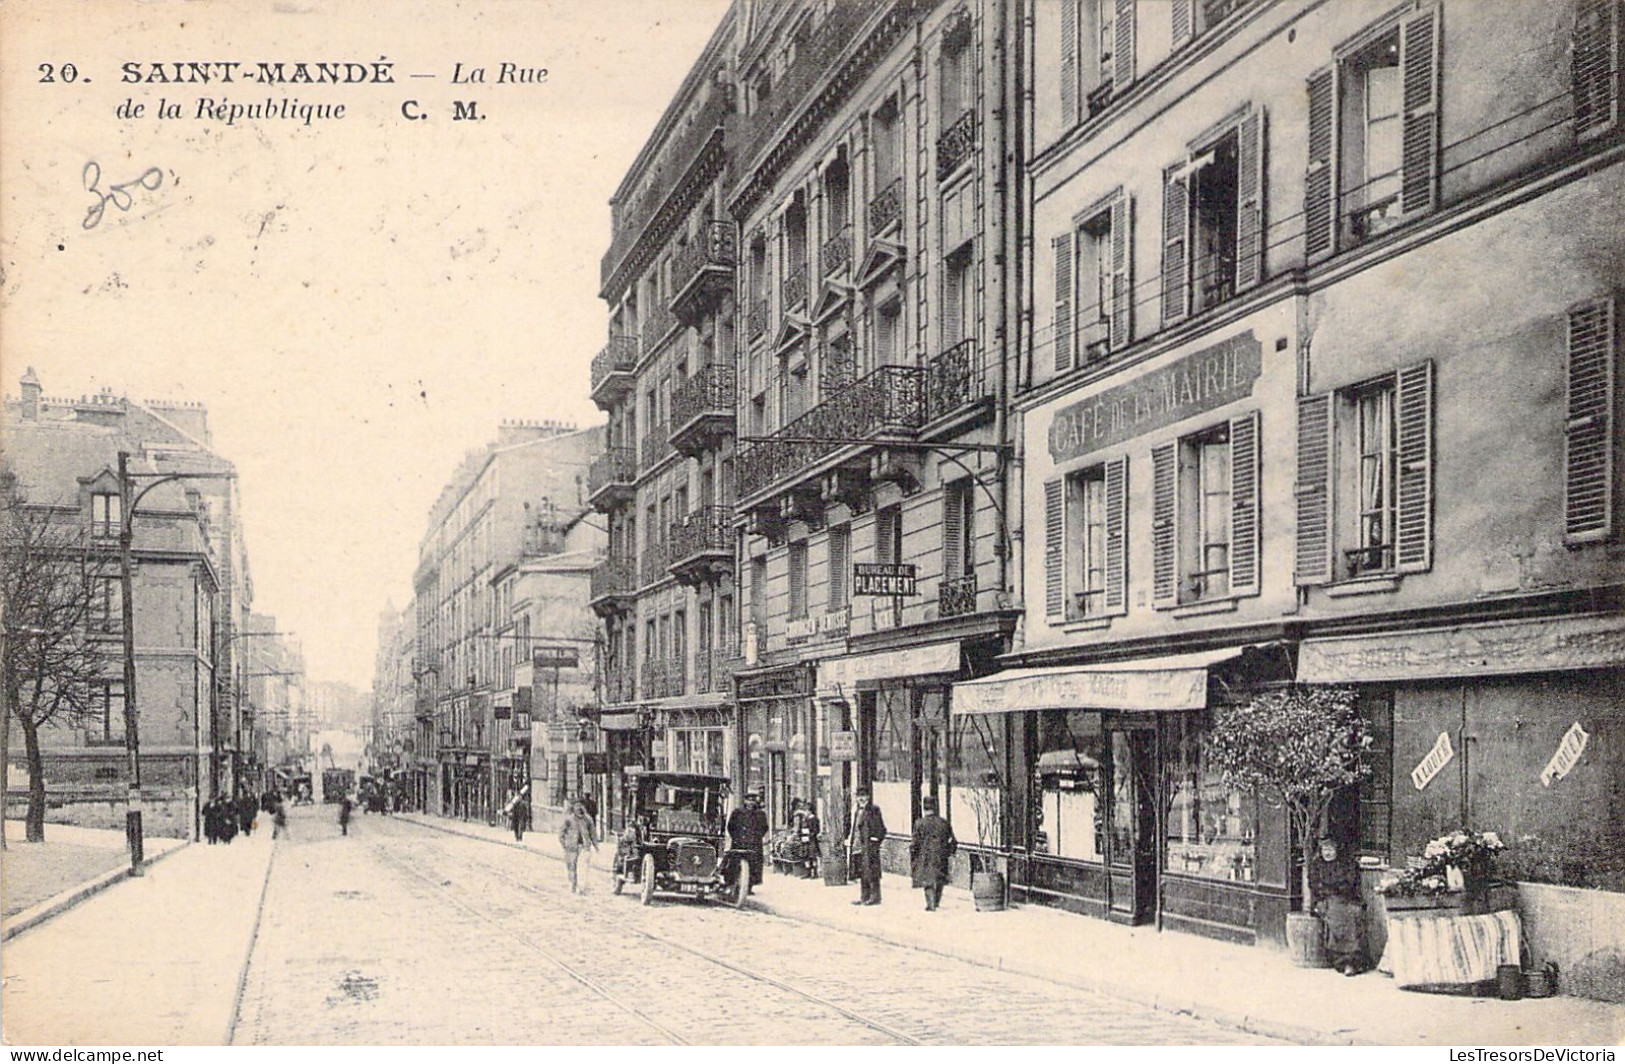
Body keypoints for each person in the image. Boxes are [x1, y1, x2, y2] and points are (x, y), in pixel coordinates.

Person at [1309, 836, 1369, 975]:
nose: (1327, 853)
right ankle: (1345, 962)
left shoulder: (1345, 864)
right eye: (1325, 849)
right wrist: (1331, 890)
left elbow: (1349, 883)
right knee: (1338, 916)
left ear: (1336, 850)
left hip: (1345, 898)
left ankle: (1354, 960)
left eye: (1330, 849)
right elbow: (1314, 885)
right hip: (1324, 900)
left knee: (1353, 912)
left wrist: (1338, 889)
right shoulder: (1317, 865)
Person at [910, 795, 957, 911]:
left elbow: (915, 843)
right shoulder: (943, 823)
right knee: (939, 878)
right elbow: (953, 840)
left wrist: (913, 854)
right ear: (935, 807)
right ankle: (936, 901)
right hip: (941, 856)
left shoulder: (919, 823)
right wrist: (949, 852)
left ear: (924, 808)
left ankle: (930, 904)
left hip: (926, 856)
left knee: (928, 881)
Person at [726, 791, 770, 894]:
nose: (750, 803)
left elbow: (764, 827)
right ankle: (734, 885)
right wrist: (736, 837)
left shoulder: (760, 814)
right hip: (739, 842)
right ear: (745, 801)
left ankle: (749, 887)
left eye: (753, 801)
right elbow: (730, 826)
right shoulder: (737, 812)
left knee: (753, 865)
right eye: (748, 800)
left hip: (754, 844)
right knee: (735, 863)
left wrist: (757, 837)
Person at [849, 790, 887, 906]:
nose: (861, 799)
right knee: (862, 872)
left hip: (869, 846)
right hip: (859, 845)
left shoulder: (873, 810)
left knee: (872, 871)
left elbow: (881, 828)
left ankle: (875, 897)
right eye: (859, 796)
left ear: (868, 797)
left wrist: (875, 840)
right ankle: (864, 896)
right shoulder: (857, 811)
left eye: (864, 796)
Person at [558, 800, 598, 893]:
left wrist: (595, 845)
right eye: (577, 807)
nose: (579, 809)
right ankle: (573, 883)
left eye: (581, 807)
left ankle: (582, 887)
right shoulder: (569, 820)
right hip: (571, 847)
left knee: (583, 868)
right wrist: (564, 844)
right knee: (571, 866)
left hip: (584, 847)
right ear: (574, 809)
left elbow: (593, 833)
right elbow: (561, 833)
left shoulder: (588, 819)